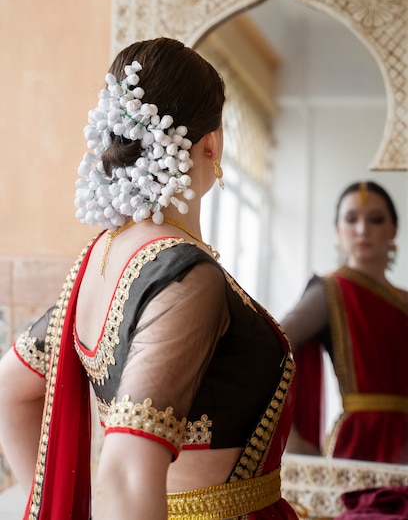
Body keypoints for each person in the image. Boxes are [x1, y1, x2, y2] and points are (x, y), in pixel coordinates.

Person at [0, 38, 298, 520]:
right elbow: (125, 471)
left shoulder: (101, 257)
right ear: (212, 143)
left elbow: (10, 388)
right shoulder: (186, 274)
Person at [281, 180, 408, 464]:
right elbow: (270, 346)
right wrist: (289, 437)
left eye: (375, 220)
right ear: (339, 230)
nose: (363, 230)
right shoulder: (331, 291)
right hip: (361, 444)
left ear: (393, 230)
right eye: (352, 220)